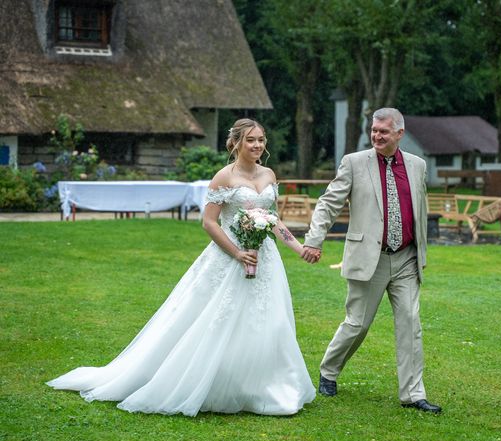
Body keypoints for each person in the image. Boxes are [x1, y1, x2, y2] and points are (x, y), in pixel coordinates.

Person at [47, 118, 316, 416]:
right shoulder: (223, 177)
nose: (258, 145)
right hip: (229, 257)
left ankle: (262, 384)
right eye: (251, 140)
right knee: (216, 320)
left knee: (269, 319)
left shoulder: (269, 174)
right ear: (236, 143)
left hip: (264, 258)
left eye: (261, 140)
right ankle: (212, 382)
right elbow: (209, 222)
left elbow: (273, 219)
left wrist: (299, 248)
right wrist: (237, 253)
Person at [301, 107, 441, 414]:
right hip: (369, 258)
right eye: (374, 131)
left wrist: (421, 251)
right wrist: (314, 239)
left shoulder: (417, 166)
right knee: (357, 324)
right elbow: (328, 204)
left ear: (399, 134)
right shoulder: (354, 163)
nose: (376, 136)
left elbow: (419, 208)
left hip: (406, 258)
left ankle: (413, 394)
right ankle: (329, 371)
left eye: (383, 132)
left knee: (410, 323)